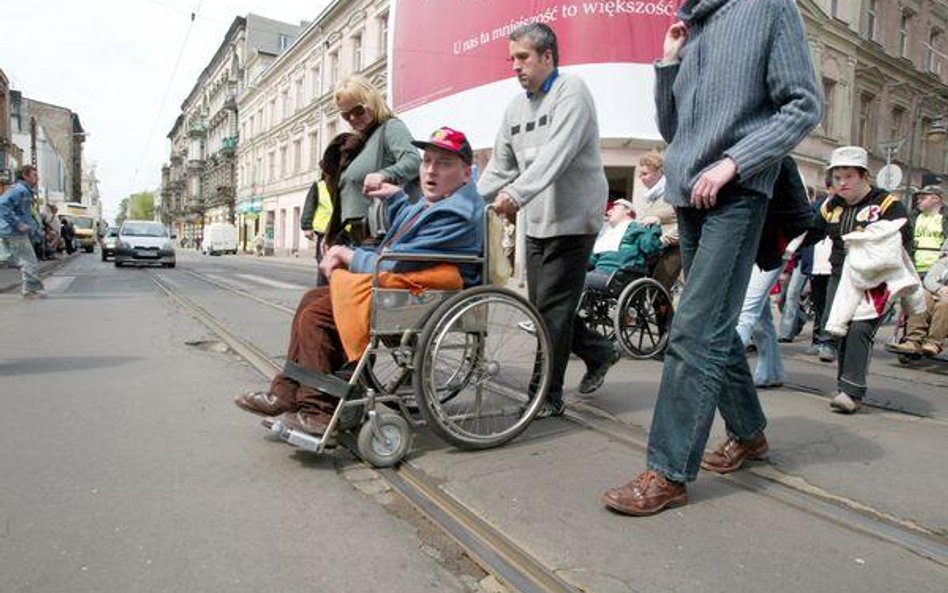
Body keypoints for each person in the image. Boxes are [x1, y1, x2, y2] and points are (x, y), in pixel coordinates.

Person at [601, 0, 822, 516]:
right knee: (712, 330)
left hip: (738, 191)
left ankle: (670, 471)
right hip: (688, 194)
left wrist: (734, 162)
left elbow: (804, 104)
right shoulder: (693, 22)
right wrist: (668, 61)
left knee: (694, 331)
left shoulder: (768, 8)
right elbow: (674, 128)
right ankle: (749, 433)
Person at [233, 127, 484, 435]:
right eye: (427, 161)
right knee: (313, 299)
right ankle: (286, 392)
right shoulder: (439, 201)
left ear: (466, 172)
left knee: (319, 314)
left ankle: (318, 409)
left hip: (426, 294)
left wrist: (346, 254)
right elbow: (409, 235)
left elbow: (397, 259)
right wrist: (396, 199)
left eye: (444, 163)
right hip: (408, 284)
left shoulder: (455, 212)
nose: (431, 170)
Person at [478, 23, 617, 413]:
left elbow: (557, 154)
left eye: (523, 58)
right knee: (543, 309)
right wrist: (464, 201)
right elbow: (501, 166)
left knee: (550, 312)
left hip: (574, 219)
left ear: (547, 57)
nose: (515, 67)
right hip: (537, 220)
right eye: (512, 59)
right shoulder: (514, 108)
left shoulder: (571, 91)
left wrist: (515, 195)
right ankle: (599, 350)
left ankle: (546, 396)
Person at [817, 146, 914, 413]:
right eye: (837, 177)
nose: (842, 183)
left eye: (848, 176)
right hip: (840, 277)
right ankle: (845, 387)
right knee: (837, 330)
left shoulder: (885, 203)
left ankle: (852, 393)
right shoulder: (831, 206)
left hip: (876, 281)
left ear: (864, 177)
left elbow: (904, 236)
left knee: (860, 330)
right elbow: (809, 230)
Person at [334, 75, 421, 246]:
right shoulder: (360, 141)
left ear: (372, 101)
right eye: (346, 115)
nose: (352, 118)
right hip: (357, 237)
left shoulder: (391, 127)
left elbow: (413, 160)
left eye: (358, 110)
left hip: (380, 237)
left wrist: (383, 175)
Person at [300, 132, 363, 283]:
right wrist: (307, 226)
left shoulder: (351, 182)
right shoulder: (319, 186)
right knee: (326, 269)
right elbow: (309, 205)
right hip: (325, 232)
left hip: (347, 233)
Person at [634, 152, 680, 291]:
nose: (641, 178)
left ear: (659, 172)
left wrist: (664, 240)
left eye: (645, 174)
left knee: (659, 290)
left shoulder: (673, 193)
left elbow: (685, 224)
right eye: (640, 174)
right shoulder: (650, 197)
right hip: (654, 250)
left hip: (673, 249)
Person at [0, 165, 46, 298]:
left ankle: (32, 289)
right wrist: (18, 223)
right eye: (34, 175)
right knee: (29, 260)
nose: (37, 178)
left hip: (11, 230)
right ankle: (31, 290)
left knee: (12, 259)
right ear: (25, 176)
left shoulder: (23, 190)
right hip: (14, 231)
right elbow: (2, 206)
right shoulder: (20, 190)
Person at [895, 240, 948, 356]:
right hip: (940, 293)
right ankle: (913, 340)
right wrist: (939, 289)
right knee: (922, 295)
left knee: (945, 303)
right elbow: (929, 279)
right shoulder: (944, 263)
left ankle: (934, 343)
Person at [908, 185, 947, 278]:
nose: (918, 201)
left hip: (939, 270)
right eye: (918, 198)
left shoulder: (945, 218)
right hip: (914, 269)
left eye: (923, 198)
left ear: (936, 198)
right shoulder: (913, 218)